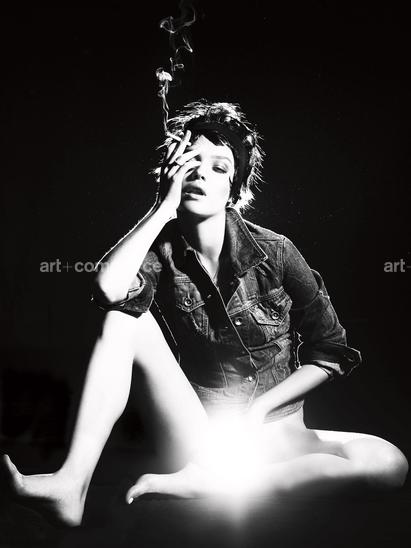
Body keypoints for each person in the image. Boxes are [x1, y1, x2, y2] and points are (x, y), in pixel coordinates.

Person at [2, 100, 408, 526]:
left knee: (388, 462)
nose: (200, 173)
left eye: (219, 167)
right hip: (202, 438)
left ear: (234, 189)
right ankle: (71, 484)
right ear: (172, 172)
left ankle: (220, 487)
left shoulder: (276, 252)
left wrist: (259, 410)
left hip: (281, 437)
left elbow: (330, 352)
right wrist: (162, 208)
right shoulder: (159, 254)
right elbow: (107, 290)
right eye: (190, 161)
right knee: (122, 316)